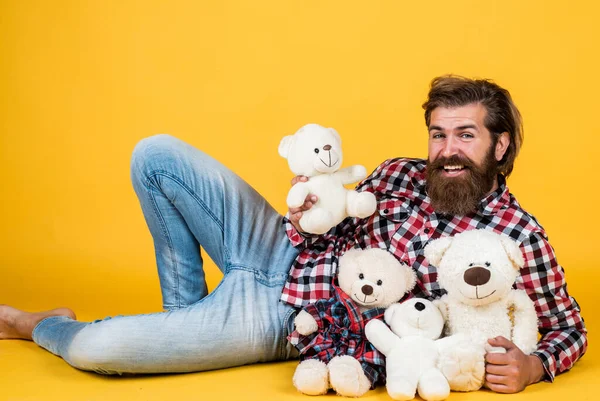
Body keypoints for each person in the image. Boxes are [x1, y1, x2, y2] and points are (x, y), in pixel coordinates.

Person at [0, 75, 586, 394]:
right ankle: (181, 315)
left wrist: (536, 366)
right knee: (154, 156)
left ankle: (37, 324)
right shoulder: (400, 172)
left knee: (96, 350)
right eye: (439, 134)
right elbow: (334, 219)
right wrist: (309, 209)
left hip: (292, 320)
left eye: (465, 135)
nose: (447, 150)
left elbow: (569, 327)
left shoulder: (516, 234)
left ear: (500, 145)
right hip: (280, 248)